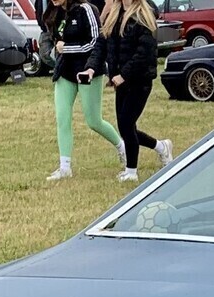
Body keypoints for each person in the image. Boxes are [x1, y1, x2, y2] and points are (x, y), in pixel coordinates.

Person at [95, 0, 173, 182]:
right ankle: (161, 147)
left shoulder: (144, 15)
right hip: (120, 82)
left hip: (140, 81)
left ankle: (131, 171)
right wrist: (97, 68)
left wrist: (124, 74)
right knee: (125, 128)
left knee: (126, 124)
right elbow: (104, 45)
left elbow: (144, 53)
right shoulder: (114, 15)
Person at [46, 0, 122, 182]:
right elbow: (57, 40)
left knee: (94, 121)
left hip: (88, 71)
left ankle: (122, 147)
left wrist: (68, 49)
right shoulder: (56, 13)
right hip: (65, 72)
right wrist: (58, 50)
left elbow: (96, 42)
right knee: (62, 118)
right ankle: (65, 167)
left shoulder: (87, 9)